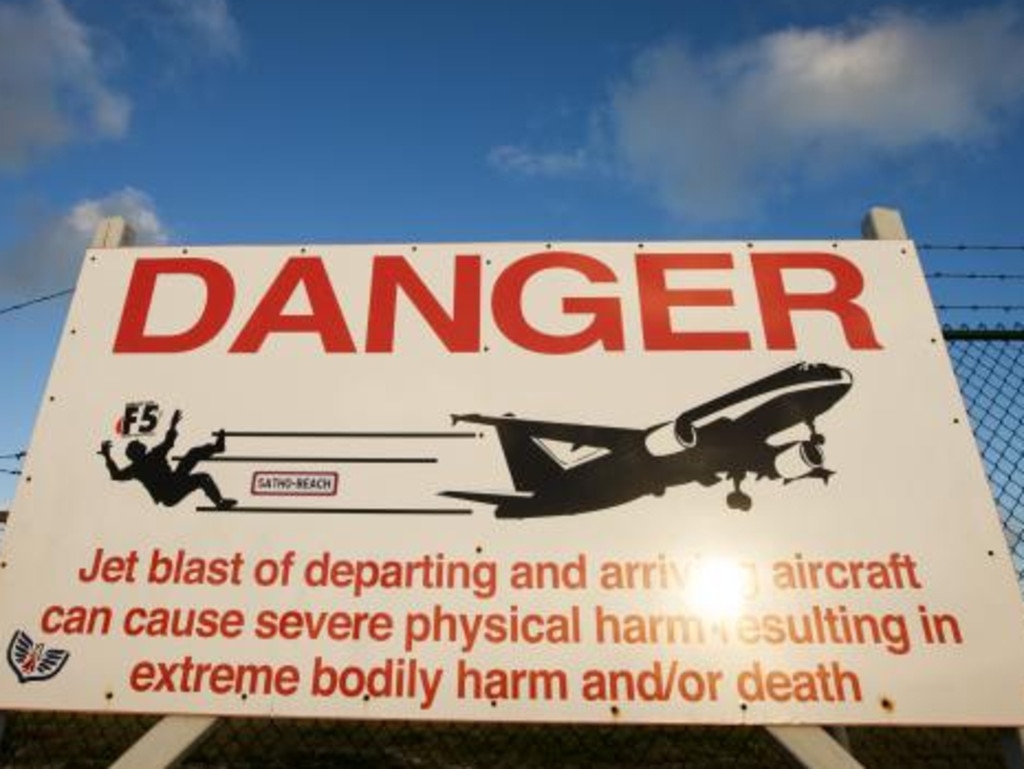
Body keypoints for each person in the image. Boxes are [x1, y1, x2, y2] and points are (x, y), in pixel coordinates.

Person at [100, 409, 237, 509]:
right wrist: (172, 426)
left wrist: (107, 456)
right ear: (138, 451)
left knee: (193, 455)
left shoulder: (139, 466)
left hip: (174, 483)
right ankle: (219, 502)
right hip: (170, 493)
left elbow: (116, 475)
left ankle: (217, 448)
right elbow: (169, 441)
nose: (142, 444)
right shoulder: (148, 459)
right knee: (201, 475)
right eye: (139, 445)